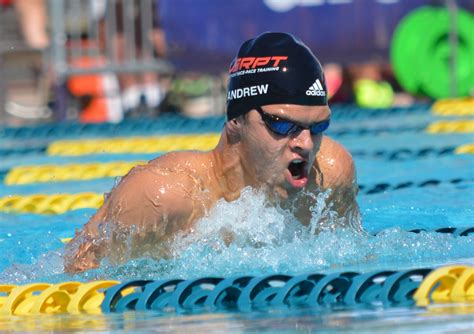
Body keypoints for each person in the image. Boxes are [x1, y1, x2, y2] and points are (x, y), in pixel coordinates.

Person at [64, 32, 360, 273]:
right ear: (236, 121)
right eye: (283, 125)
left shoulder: (330, 174)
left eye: (318, 126)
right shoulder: (166, 196)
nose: (306, 143)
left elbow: (352, 263)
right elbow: (79, 276)